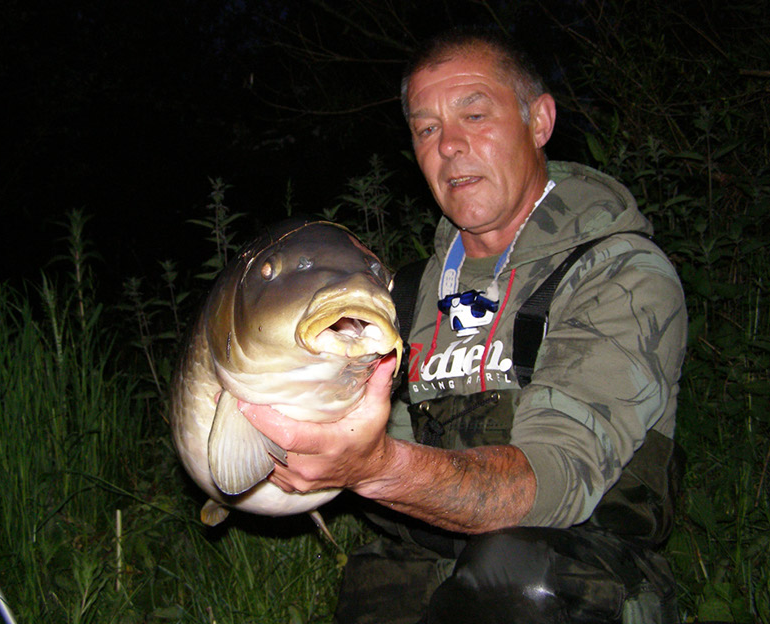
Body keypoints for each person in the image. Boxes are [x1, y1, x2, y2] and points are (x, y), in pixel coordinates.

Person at [244, 26, 687, 624]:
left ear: (539, 121)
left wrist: (374, 468)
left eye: (474, 115)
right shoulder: (396, 297)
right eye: (427, 129)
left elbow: (554, 481)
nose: (449, 145)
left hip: (580, 572)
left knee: (517, 580)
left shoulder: (621, 275)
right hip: (427, 564)